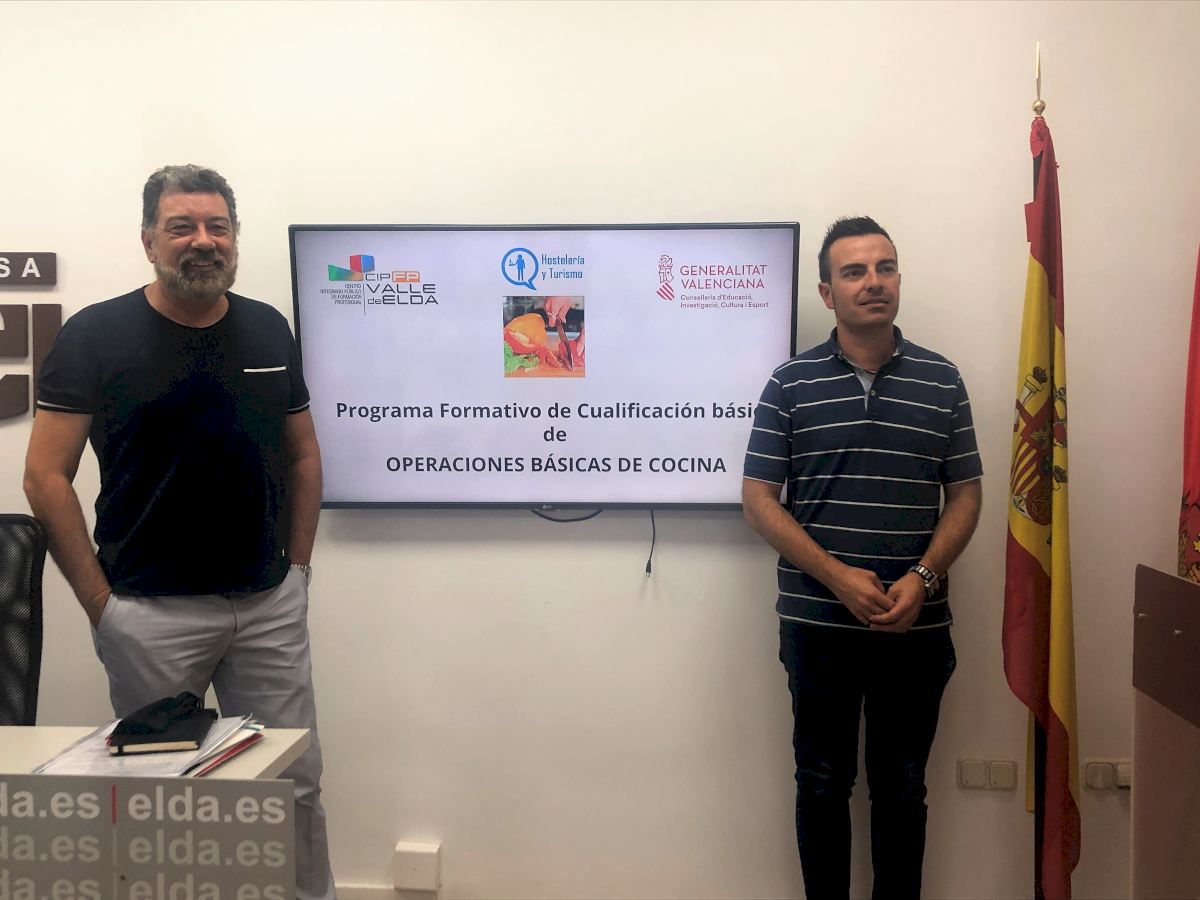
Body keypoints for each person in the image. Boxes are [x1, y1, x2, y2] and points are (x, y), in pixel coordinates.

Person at [23, 165, 335, 899]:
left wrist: (298, 571)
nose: (203, 241)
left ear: (235, 237)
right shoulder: (94, 335)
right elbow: (44, 476)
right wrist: (101, 605)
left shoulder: (268, 327)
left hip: (267, 606)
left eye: (217, 226)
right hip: (149, 613)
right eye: (182, 227)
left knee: (293, 784)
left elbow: (303, 453)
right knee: (162, 799)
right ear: (148, 241)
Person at [742, 216, 983, 899]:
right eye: (854, 272)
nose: (873, 282)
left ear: (898, 279)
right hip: (818, 626)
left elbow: (966, 494)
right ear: (827, 292)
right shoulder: (789, 384)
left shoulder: (942, 380)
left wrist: (924, 578)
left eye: (885, 267)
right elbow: (758, 499)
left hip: (916, 627)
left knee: (903, 787)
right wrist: (838, 578)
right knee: (821, 783)